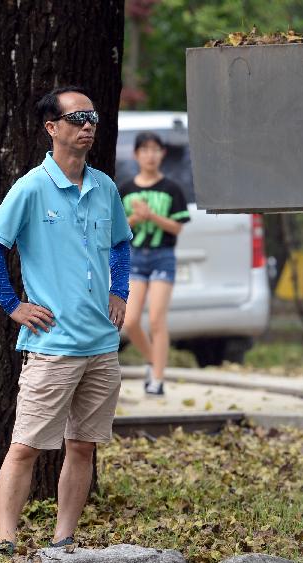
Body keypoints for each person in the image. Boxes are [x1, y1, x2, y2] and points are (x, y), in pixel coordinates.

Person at [0, 86, 131, 561]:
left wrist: (118, 292)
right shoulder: (30, 187)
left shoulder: (105, 186)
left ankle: (63, 542)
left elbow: (122, 244)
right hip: (53, 344)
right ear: (52, 128)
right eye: (77, 118)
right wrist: (12, 304)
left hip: (101, 345)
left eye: (93, 118)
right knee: (25, 447)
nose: (88, 126)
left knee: (82, 447)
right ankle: (5, 543)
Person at [119, 132, 190, 396]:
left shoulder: (172, 189)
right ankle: (153, 360)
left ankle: (157, 379)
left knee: (158, 319)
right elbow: (118, 229)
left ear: (162, 154)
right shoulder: (126, 189)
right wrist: (137, 219)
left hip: (163, 256)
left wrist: (152, 216)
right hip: (135, 257)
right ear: (136, 155)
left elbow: (177, 227)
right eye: (145, 150)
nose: (150, 155)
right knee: (131, 320)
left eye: (155, 150)